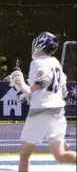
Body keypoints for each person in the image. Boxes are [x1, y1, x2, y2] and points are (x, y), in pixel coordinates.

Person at [8, 32, 76, 172]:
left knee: (25, 154)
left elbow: (43, 81)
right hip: (58, 112)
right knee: (60, 155)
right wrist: (27, 88)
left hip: (41, 111)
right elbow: (64, 92)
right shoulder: (55, 62)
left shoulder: (38, 62)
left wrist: (21, 84)